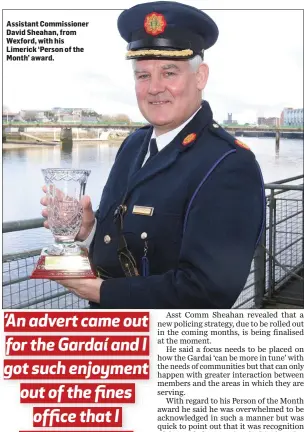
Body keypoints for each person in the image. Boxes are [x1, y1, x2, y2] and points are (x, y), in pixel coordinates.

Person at [41, 1, 265, 309]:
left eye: (169, 72)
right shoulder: (134, 145)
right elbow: (124, 248)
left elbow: (208, 291)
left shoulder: (229, 165)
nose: (154, 88)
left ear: (200, 76)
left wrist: (99, 292)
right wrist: (88, 231)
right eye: (142, 75)